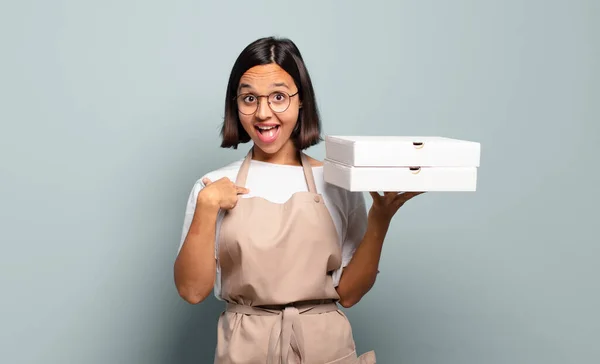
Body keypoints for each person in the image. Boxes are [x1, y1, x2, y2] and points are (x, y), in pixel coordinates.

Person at [174, 36, 423, 364]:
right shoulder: (212, 187)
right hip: (245, 348)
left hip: (324, 347)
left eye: (279, 97)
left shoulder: (336, 181)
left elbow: (348, 293)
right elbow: (192, 291)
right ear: (235, 104)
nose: (264, 113)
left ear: (301, 100)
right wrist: (206, 207)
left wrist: (380, 217)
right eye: (249, 98)